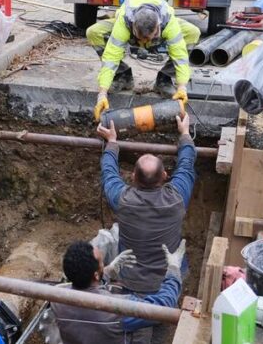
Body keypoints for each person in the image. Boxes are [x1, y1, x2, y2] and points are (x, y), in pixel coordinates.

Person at [96, 113, 195, 294]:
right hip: (169, 278)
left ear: (133, 177)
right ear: (165, 176)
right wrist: (185, 134)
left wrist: (111, 143)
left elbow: (109, 173)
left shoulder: (122, 199)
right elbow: (186, 165)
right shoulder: (177, 196)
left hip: (130, 280)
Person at [89, 0, 201, 121]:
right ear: (133, 27)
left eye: (149, 38)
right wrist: (102, 93)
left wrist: (182, 86)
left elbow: (180, 57)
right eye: (140, 38)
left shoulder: (169, 22)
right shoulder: (124, 23)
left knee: (193, 32)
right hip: (127, 22)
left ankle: (164, 78)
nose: (144, 42)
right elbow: (111, 58)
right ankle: (122, 75)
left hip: (162, 25)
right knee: (93, 32)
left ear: (158, 27)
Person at [51, 239, 185, 344]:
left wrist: (108, 271)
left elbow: (84, 286)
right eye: (102, 263)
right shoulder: (117, 309)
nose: (104, 264)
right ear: (96, 275)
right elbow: (163, 305)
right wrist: (173, 268)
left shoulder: (57, 297)